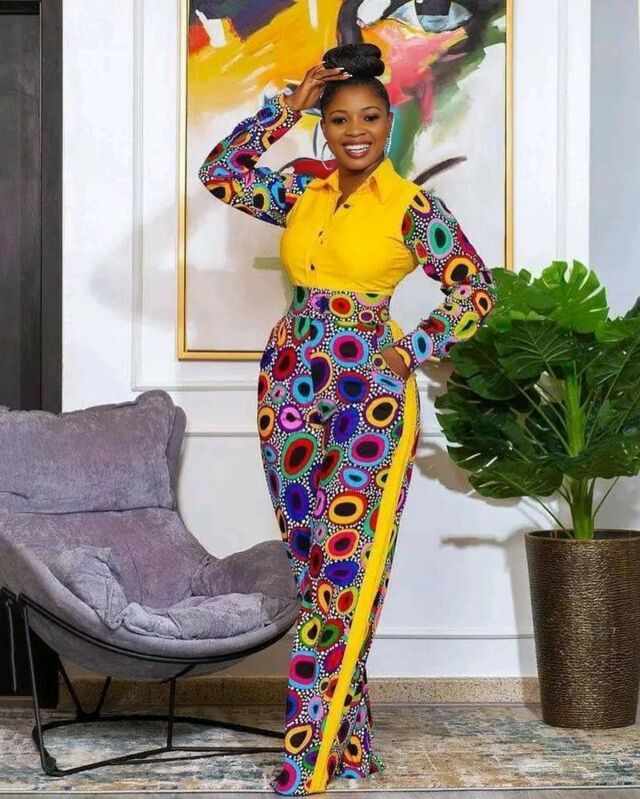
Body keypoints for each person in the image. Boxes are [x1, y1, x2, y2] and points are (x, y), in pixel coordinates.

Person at [198, 42, 497, 797]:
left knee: (345, 567)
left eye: (368, 118)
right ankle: (351, 743)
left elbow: (475, 291)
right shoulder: (304, 191)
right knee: (313, 569)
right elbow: (220, 173)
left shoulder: (412, 208)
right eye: (338, 119)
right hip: (289, 383)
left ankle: (307, 753)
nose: (354, 131)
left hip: (371, 395)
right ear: (324, 126)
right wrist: (287, 106)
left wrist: (413, 348)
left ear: (388, 123)